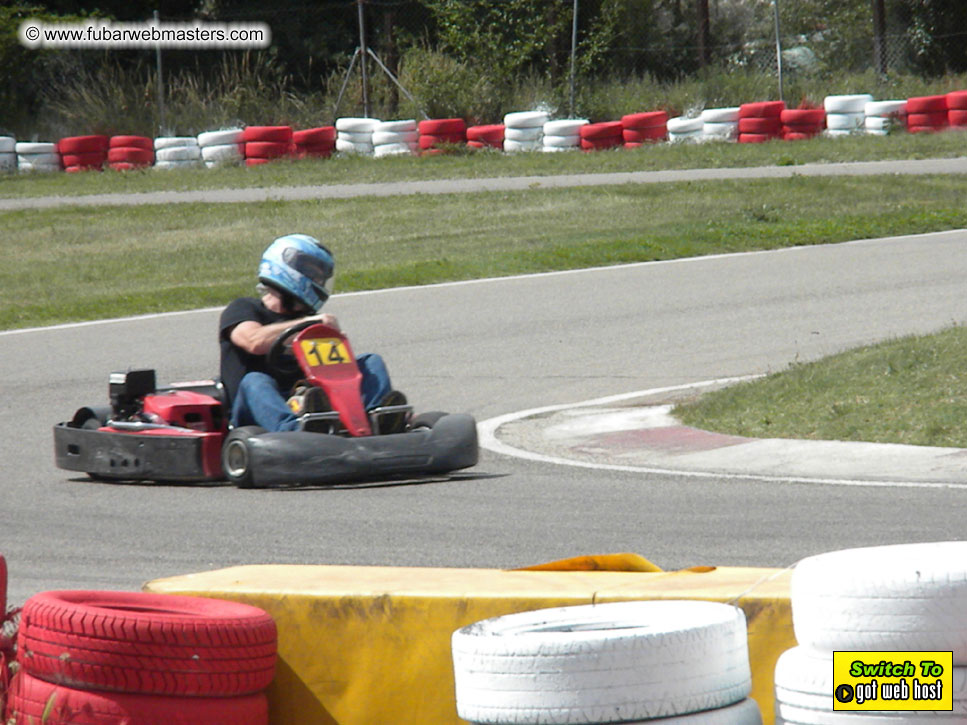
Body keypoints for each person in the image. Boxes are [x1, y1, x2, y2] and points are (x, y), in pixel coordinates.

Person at [219, 233, 406, 432]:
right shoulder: (243, 308)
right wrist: (311, 323)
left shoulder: (311, 320)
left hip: (307, 401)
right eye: (312, 272)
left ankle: (376, 419)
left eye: (321, 276)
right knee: (255, 380)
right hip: (253, 413)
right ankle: (295, 431)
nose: (318, 279)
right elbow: (253, 342)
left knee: (371, 362)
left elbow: (335, 369)